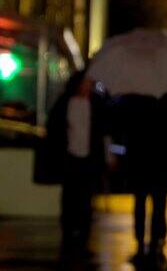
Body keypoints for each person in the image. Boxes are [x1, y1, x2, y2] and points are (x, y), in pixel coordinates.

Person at [114, 86, 167, 263]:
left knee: (142, 202)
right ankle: (155, 244)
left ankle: (143, 244)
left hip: (141, 154)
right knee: (158, 203)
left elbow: (123, 120)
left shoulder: (135, 88)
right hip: (160, 155)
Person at [46, 71, 106, 257]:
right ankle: (68, 237)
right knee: (70, 199)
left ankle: (82, 240)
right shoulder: (66, 103)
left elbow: (102, 133)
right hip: (70, 158)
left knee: (85, 200)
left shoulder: (95, 105)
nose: (88, 86)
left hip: (88, 159)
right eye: (86, 82)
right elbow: (54, 130)